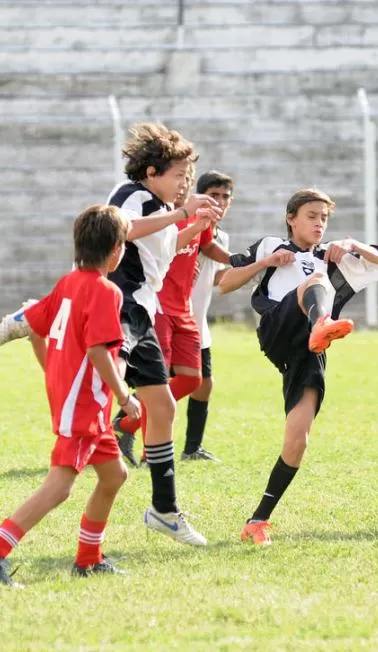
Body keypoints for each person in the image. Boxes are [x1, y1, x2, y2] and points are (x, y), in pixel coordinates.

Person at [0, 205, 141, 586]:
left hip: (84, 406)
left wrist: (54, 373)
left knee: (114, 475)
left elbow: (35, 327)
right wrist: (125, 396)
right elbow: (98, 352)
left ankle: (89, 559)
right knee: (59, 487)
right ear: (116, 249)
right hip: (83, 409)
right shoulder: (105, 291)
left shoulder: (69, 282)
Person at [219, 188, 378, 545]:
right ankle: (320, 324)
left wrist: (352, 244)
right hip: (278, 328)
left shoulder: (331, 256)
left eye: (324, 219)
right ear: (291, 219)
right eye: (312, 216)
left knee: (297, 442)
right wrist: (264, 264)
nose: (319, 224)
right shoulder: (271, 245)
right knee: (314, 282)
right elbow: (224, 282)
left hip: (307, 350)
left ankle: (257, 521)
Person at [104, 122, 220, 545]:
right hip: (122, 306)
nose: (186, 182)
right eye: (178, 175)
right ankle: (39, 318)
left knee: (164, 407)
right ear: (151, 172)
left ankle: (164, 509)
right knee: (109, 387)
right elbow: (123, 229)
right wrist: (183, 212)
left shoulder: (158, 205)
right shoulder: (131, 194)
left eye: (189, 174)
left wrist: (192, 222)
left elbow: (164, 251)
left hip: (142, 310)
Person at [112, 167, 232, 466]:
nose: (181, 187)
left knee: (193, 380)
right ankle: (149, 450)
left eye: (185, 181)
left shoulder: (202, 222)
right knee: (158, 382)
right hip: (160, 307)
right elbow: (154, 244)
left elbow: (202, 249)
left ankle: (125, 422)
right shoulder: (158, 217)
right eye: (179, 180)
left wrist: (248, 261)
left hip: (185, 309)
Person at [183, 171, 236, 461]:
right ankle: (126, 427)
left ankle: (192, 448)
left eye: (224, 196)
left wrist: (256, 271)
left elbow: (217, 279)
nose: (219, 201)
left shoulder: (221, 236)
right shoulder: (188, 224)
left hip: (198, 320)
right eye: (213, 195)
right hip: (174, 318)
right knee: (168, 384)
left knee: (203, 383)